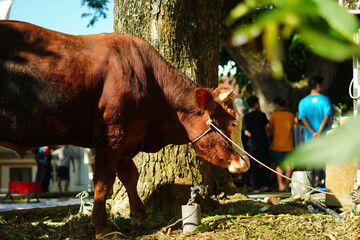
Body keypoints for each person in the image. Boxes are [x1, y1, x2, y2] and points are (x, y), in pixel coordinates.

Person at [298, 75, 333, 186]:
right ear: (318, 85)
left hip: (309, 137)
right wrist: (319, 131)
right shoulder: (325, 99)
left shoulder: (303, 102)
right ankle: (328, 185)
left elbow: (302, 118)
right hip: (323, 136)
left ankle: (309, 186)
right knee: (325, 161)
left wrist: (312, 132)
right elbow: (327, 116)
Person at [243, 95, 270, 193]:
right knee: (265, 163)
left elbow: (246, 132)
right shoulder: (262, 115)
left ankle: (256, 187)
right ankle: (266, 185)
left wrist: (252, 134)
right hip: (263, 141)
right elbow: (267, 128)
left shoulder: (246, 116)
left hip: (252, 143)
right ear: (255, 104)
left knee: (254, 165)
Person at [267, 97, 295, 192]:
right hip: (288, 144)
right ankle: (287, 186)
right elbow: (292, 127)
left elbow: (269, 127)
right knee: (289, 166)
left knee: (278, 166)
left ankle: (280, 185)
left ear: (277, 106)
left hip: (277, 144)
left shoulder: (274, 115)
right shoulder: (290, 115)